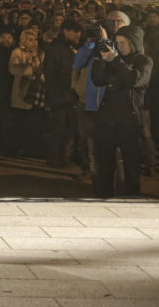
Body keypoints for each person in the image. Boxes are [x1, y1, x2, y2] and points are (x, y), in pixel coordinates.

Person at [91, 26, 152, 197]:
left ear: (133, 42)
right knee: (105, 164)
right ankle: (104, 196)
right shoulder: (113, 60)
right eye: (117, 43)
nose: (119, 46)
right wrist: (102, 59)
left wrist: (115, 59)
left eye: (122, 43)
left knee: (131, 165)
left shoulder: (144, 61)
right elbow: (97, 80)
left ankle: (131, 198)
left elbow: (133, 79)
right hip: (107, 120)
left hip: (129, 122)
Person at [43, 19, 82, 168]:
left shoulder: (70, 47)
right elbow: (52, 73)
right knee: (58, 127)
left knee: (69, 127)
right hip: (60, 94)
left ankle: (64, 157)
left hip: (69, 94)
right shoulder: (56, 48)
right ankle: (55, 158)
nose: (78, 37)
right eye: (75, 34)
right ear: (66, 31)